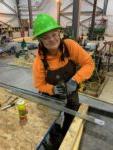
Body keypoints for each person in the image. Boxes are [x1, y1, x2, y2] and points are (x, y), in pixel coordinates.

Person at [32, 13, 94, 148]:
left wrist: (75, 80)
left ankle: (66, 138)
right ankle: (55, 141)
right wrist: (52, 89)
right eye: (45, 37)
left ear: (59, 32)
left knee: (71, 117)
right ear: (40, 40)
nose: (52, 39)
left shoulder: (69, 46)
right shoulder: (39, 61)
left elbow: (88, 63)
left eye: (54, 34)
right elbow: (39, 84)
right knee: (50, 122)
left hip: (71, 92)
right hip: (50, 97)